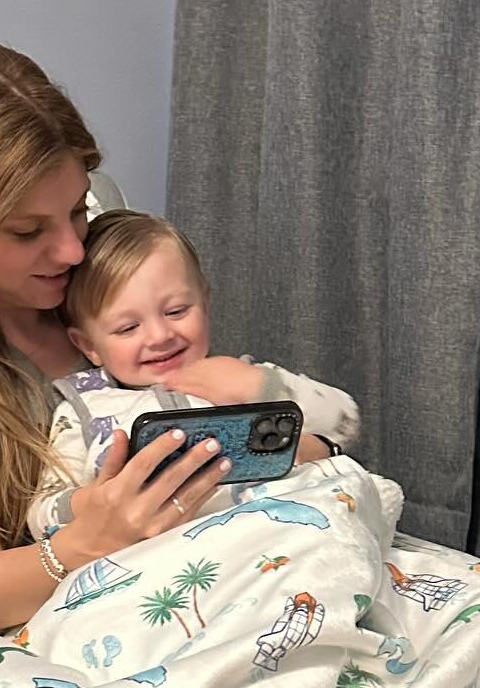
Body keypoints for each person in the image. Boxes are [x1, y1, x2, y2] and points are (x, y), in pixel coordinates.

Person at [0, 40, 339, 632]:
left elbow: (300, 430)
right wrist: (90, 539)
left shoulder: (112, 295)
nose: (73, 251)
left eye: (77, 210)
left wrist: (298, 445)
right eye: (27, 231)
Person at [25, 208, 361, 542]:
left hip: (276, 540)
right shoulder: (84, 409)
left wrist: (257, 385)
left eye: (176, 311)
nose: (160, 336)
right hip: (164, 561)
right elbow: (39, 517)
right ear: (89, 345)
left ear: (205, 303)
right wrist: (92, 502)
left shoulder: (238, 377)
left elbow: (345, 422)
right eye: (128, 328)